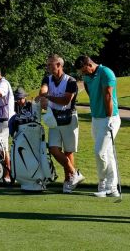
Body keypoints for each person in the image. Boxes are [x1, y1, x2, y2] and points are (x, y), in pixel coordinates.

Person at [74, 55, 120, 198]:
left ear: (89, 64)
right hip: (96, 118)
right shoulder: (88, 77)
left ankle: (103, 183)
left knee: (100, 152)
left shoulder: (106, 72)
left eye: (83, 70)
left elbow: (108, 95)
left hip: (109, 118)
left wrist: (109, 118)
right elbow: (90, 91)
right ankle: (112, 188)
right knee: (108, 153)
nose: (83, 74)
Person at [38, 54, 84, 193]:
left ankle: (68, 180)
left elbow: (65, 100)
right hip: (54, 118)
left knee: (68, 150)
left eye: (50, 64)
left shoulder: (70, 81)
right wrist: (44, 95)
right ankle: (74, 172)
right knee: (54, 149)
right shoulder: (48, 78)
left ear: (59, 65)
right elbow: (43, 89)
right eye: (47, 64)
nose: (48, 67)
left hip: (69, 117)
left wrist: (48, 97)